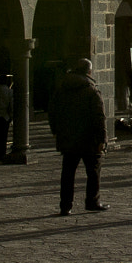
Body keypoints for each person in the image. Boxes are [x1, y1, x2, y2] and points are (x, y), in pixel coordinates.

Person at [48, 58, 109, 214]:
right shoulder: (91, 90)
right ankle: (92, 201)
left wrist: (56, 131)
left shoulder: (62, 88)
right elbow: (99, 117)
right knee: (94, 172)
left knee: (68, 173)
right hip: (89, 139)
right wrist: (103, 139)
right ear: (89, 71)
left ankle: (65, 205)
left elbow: (53, 112)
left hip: (68, 137)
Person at [0, 72, 17, 164]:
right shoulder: (9, 92)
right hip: (4, 116)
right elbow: (11, 105)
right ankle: (2, 155)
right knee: (3, 137)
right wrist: (11, 116)